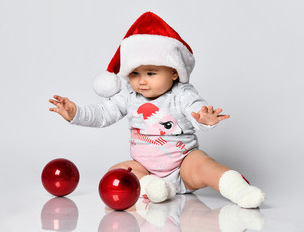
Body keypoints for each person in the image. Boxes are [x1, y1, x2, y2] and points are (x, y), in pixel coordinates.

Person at [48, 12, 265, 208]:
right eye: (134, 74)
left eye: (150, 73)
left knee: (203, 164)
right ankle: (154, 187)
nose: (141, 82)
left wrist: (203, 117)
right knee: (116, 171)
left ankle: (239, 190)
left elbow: (195, 107)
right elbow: (104, 113)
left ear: (174, 72)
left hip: (183, 166)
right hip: (145, 167)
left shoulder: (181, 93)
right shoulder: (129, 96)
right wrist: (76, 113)